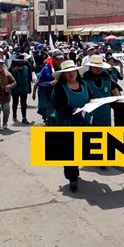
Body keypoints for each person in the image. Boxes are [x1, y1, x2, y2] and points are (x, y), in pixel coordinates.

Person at [52, 60, 92, 192]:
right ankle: (72, 178)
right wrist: (72, 110)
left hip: (83, 123)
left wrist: (93, 102)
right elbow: (57, 104)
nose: (71, 74)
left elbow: (90, 98)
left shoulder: (84, 84)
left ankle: (75, 171)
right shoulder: (59, 87)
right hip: (66, 124)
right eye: (67, 73)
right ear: (63, 75)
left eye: (73, 71)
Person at [82, 55, 120, 126]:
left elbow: (115, 90)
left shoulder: (107, 77)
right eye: (95, 67)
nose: (98, 69)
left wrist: (117, 97)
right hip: (91, 114)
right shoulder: (84, 80)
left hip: (106, 113)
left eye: (100, 67)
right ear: (90, 67)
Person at [9, 55, 32, 124]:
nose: (21, 63)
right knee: (15, 102)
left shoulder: (26, 68)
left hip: (24, 88)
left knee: (23, 103)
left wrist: (29, 88)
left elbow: (29, 79)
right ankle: (14, 115)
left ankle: (24, 118)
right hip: (15, 89)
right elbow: (9, 79)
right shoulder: (11, 69)